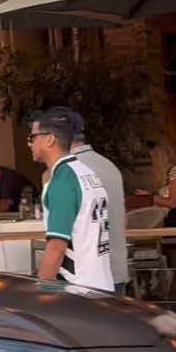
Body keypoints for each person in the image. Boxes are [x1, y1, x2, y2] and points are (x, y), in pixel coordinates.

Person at [27, 107, 114, 291]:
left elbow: (56, 248)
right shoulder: (87, 173)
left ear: (49, 139)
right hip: (101, 282)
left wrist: (40, 292)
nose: (29, 143)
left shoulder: (62, 181)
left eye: (32, 137)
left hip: (77, 290)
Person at [63, 109, 128, 294]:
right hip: (115, 268)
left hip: (85, 279)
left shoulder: (67, 171)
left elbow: (61, 234)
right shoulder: (109, 165)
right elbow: (122, 218)